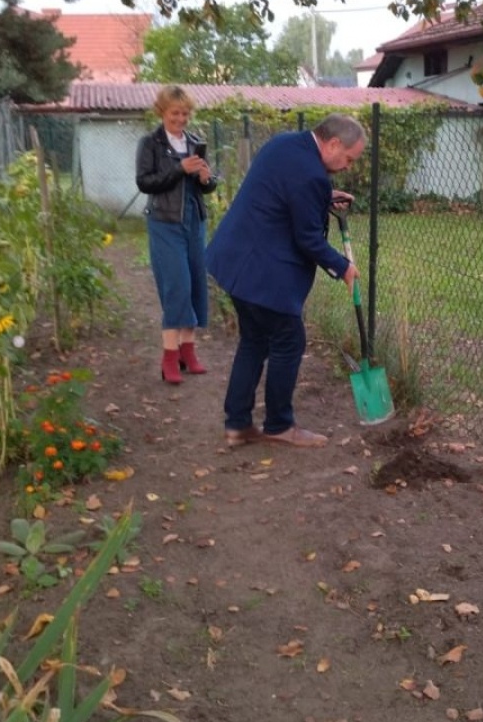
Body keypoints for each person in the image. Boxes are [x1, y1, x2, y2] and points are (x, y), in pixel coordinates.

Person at [205, 113, 365, 449]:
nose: (348, 166)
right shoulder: (312, 176)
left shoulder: (284, 143)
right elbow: (308, 239)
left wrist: (323, 197)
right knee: (289, 341)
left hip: (236, 260)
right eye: (349, 159)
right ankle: (279, 425)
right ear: (333, 143)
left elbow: (286, 189)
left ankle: (237, 424)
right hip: (263, 273)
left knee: (254, 341)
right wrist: (343, 267)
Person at [135, 85, 218, 384]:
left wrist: (207, 180)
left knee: (194, 285)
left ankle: (188, 352)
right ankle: (169, 357)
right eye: (175, 113)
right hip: (165, 222)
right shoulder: (151, 144)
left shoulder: (194, 142)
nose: (181, 119)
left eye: (185, 113)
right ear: (162, 112)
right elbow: (145, 182)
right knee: (176, 287)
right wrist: (180, 169)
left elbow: (206, 186)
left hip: (194, 222)